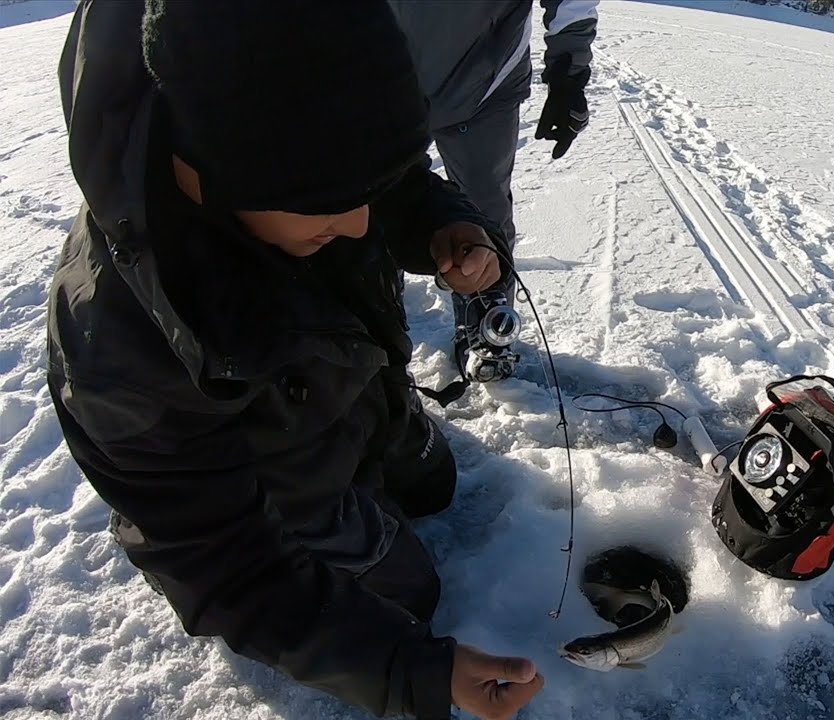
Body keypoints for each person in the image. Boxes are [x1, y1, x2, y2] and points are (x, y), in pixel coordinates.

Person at [46, 2, 542, 719]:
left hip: (362, 394)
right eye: (330, 208)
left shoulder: (311, 154)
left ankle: (382, 460)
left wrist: (444, 225)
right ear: (203, 172)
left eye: (365, 197)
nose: (361, 227)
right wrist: (406, 669)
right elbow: (220, 562)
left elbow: (385, 180)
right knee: (410, 598)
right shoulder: (123, 356)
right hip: (276, 490)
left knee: (435, 487)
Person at [388, 0, 599, 382]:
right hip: (366, 70)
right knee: (362, 202)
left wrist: (569, 72)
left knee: (481, 214)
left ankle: (488, 324)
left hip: (484, 78)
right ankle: (367, 332)